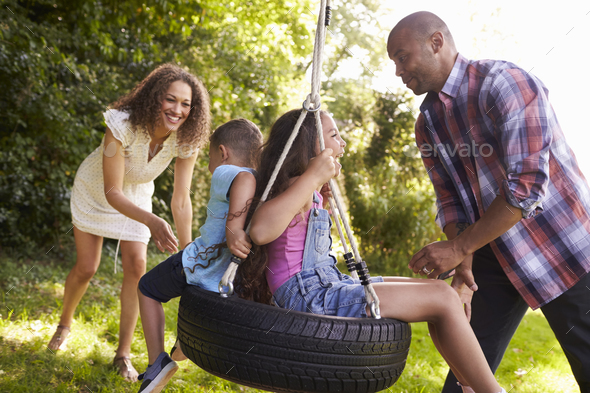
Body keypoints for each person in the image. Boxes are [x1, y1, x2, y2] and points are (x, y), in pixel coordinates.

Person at [387, 11, 590, 392]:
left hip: (563, 246)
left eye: (402, 57)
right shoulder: (427, 122)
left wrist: (460, 246)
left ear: (436, 43)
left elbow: (526, 185)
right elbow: (449, 198)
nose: (398, 71)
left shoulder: (504, 84)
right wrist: (463, 259)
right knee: (467, 375)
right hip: (492, 255)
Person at [238, 109, 507, 393]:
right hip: (308, 296)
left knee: (442, 295)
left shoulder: (308, 191)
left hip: (325, 284)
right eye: (333, 135)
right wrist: (312, 179)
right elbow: (261, 231)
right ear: (308, 145)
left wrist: (319, 194)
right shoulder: (297, 185)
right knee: (442, 296)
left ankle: (472, 389)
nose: (342, 143)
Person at [48, 64, 211, 381]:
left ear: (193, 109)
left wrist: (187, 247)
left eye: (186, 104)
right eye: (170, 100)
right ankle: (64, 324)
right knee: (87, 267)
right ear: (155, 98)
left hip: (136, 193)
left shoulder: (186, 138)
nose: (177, 110)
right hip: (96, 191)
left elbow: (180, 198)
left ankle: (122, 356)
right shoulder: (121, 124)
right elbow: (111, 191)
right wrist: (152, 222)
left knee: (136, 267)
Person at [135, 118, 262, 393]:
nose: (208, 165)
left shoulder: (229, 171)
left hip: (197, 264)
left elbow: (243, 177)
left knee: (147, 288)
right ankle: (184, 342)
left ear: (223, 151)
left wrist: (233, 228)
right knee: (202, 302)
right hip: (230, 277)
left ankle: (158, 361)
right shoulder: (264, 181)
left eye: (209, 157)